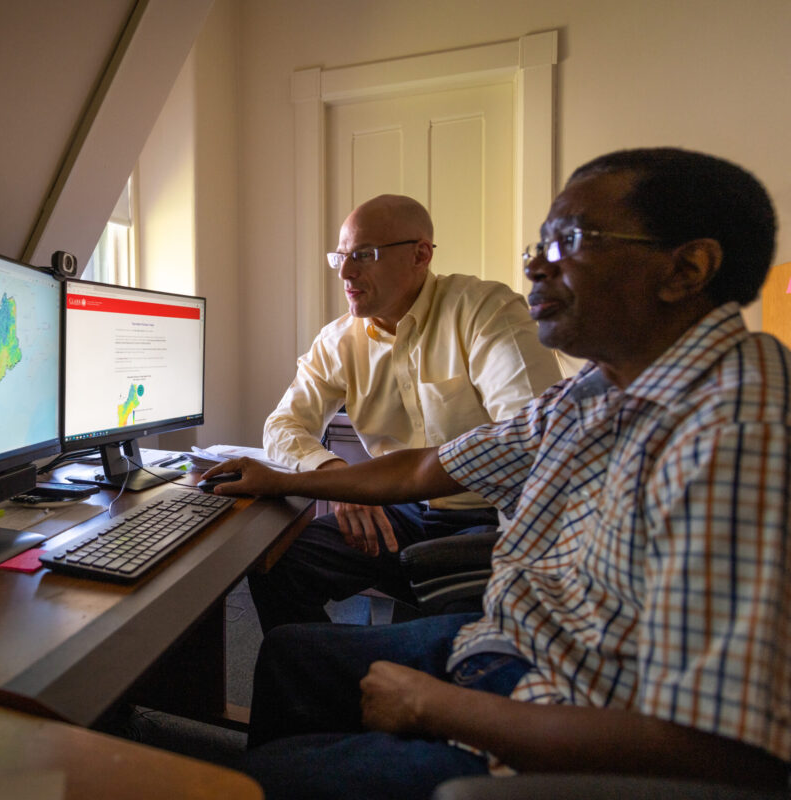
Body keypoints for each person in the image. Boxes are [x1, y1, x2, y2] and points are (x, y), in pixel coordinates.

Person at [207, 148, 790, 799]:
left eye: (570, 241)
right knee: (292, 656)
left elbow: (727, 755)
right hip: (525, 638)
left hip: (564, 703)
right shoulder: (598, 388)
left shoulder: (735, 431)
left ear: (687, 269)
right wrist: (284, 477)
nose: (535, 264)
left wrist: (436, 708)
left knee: (239, 786)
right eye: (539, 243)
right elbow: (431, 464)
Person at [253, 194, 563, 631]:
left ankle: (390, 669)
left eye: (364, 255)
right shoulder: (339, 340)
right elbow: (282, 425)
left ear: (420, 255)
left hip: (486, 517)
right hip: (399, 512)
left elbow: (530, 442)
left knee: (454, 631)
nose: (345, 272)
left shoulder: (485, 311)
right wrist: (339, 478)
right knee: (280, 564)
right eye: (340, 257)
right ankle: (328, 677)